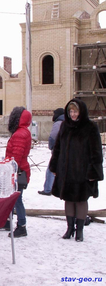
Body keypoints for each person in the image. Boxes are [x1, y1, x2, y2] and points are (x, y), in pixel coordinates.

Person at [49, 99, 103, 242]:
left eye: (75, 111)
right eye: (71, 111)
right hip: (66, 171)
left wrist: (93, 172)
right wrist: (54, 166)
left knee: (80, 200)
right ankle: (69, 228)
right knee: (68, 199)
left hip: (83, 172)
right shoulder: (65, 126)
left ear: (81, 112)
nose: (73, 114)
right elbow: (58, 148)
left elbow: (96, 152)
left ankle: (79, 231)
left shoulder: (90, 127)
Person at [5, 106, 32, 238]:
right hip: (21, 170)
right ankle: (9, 221)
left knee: (17, 199)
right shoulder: (24, 131)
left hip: (17, 172)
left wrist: (8, 168)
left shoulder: (19, 134)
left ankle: (21, 225)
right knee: (13, 198)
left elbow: (16, 157)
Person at [38, 108, 64, 196]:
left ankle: (48, 189)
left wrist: (52, 147)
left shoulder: (58, 123)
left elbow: (53, 137)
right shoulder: (67, 122)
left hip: (58, 150)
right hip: (65, 150)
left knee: (51, 169)